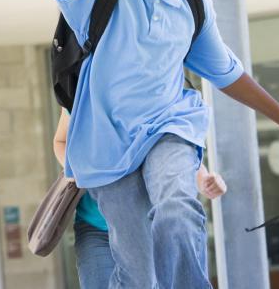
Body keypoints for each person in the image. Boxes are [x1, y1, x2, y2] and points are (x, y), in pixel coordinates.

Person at [35, 0, 279, 286]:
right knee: (139, 274)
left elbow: (226, 73)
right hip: (108, 149)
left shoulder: (191, 1)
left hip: (170, 127)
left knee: (176, 208)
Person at [52, 111, 226, 289]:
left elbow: (170, 145)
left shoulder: (152, 95)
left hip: (143, 230)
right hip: (96, 228)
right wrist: (78, 169)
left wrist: (204, 179)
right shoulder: (83, 93)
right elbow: (60, 141)